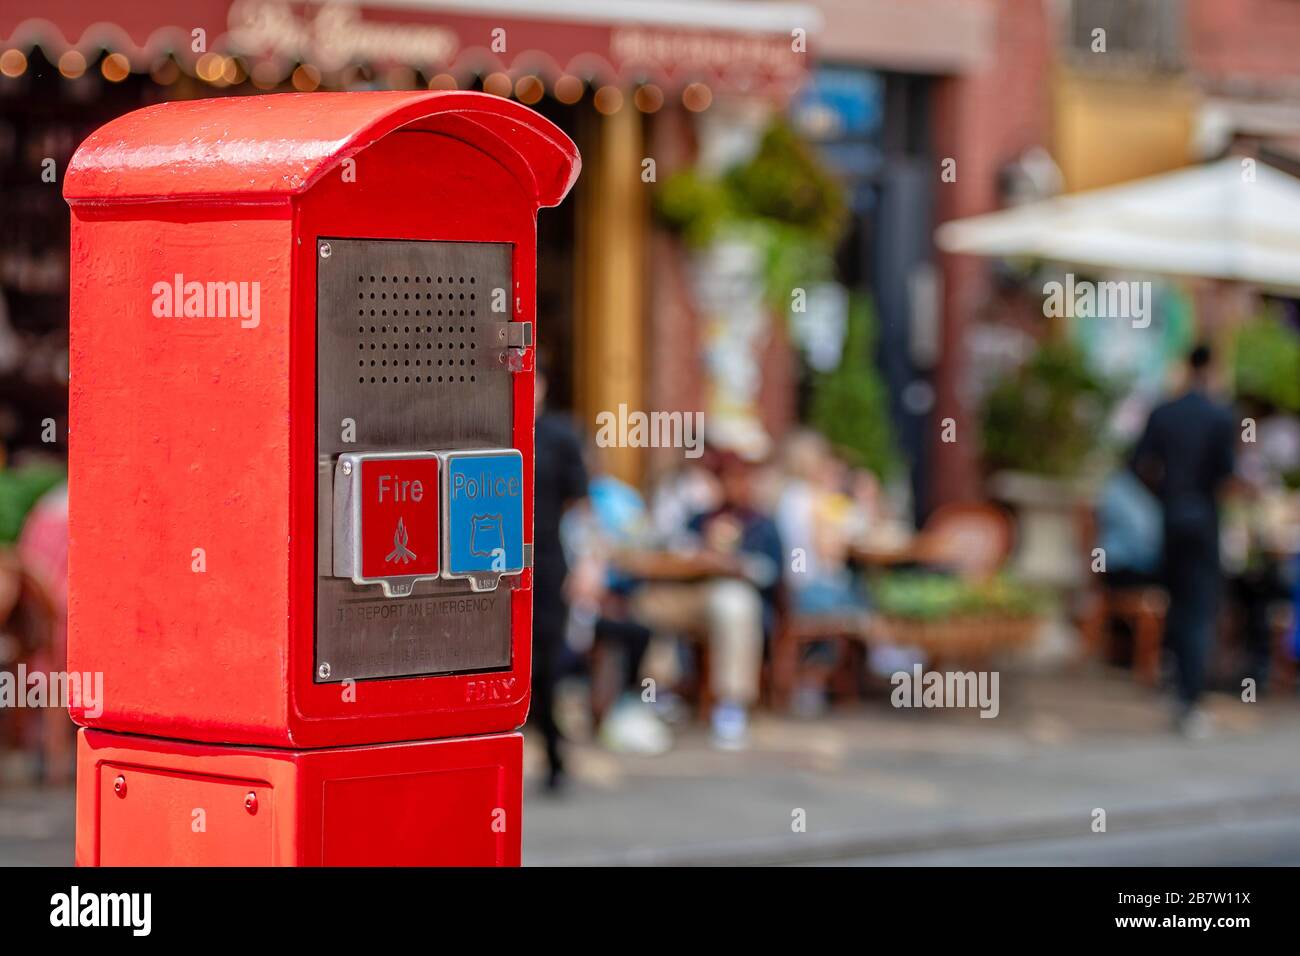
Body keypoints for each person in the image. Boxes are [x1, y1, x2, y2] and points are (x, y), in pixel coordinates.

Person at [634, 451, 782, 749]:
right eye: (728, 479)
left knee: (734, 605)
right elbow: (678, 549)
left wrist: (734, 564)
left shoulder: (763, 524)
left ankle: (730, 705)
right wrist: (697, 556)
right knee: (649, 604)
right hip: (696, 591)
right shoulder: (702, 517)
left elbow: (772, 573)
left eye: (741, 480)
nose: (734, 486)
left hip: (738, 595)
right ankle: (658, 692)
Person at [1134, 344, 1237, 736]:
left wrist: (1163, 498)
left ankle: (1174, 684)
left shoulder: (1164, 412)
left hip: (1171, 518)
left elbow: (1138, 464)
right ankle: (1190, 700)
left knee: (1176, 603)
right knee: (1197, 609)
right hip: (1202, 520)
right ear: (1210, 367)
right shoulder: (1219, 416)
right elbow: (1225, 475)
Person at [531, 365, 588, 790]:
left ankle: (553, 754)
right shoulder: (491, 426)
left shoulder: (560, 435)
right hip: (495, 563)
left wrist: (589, 564)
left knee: (546, 663)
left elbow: (583, 507)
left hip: (549, 562)